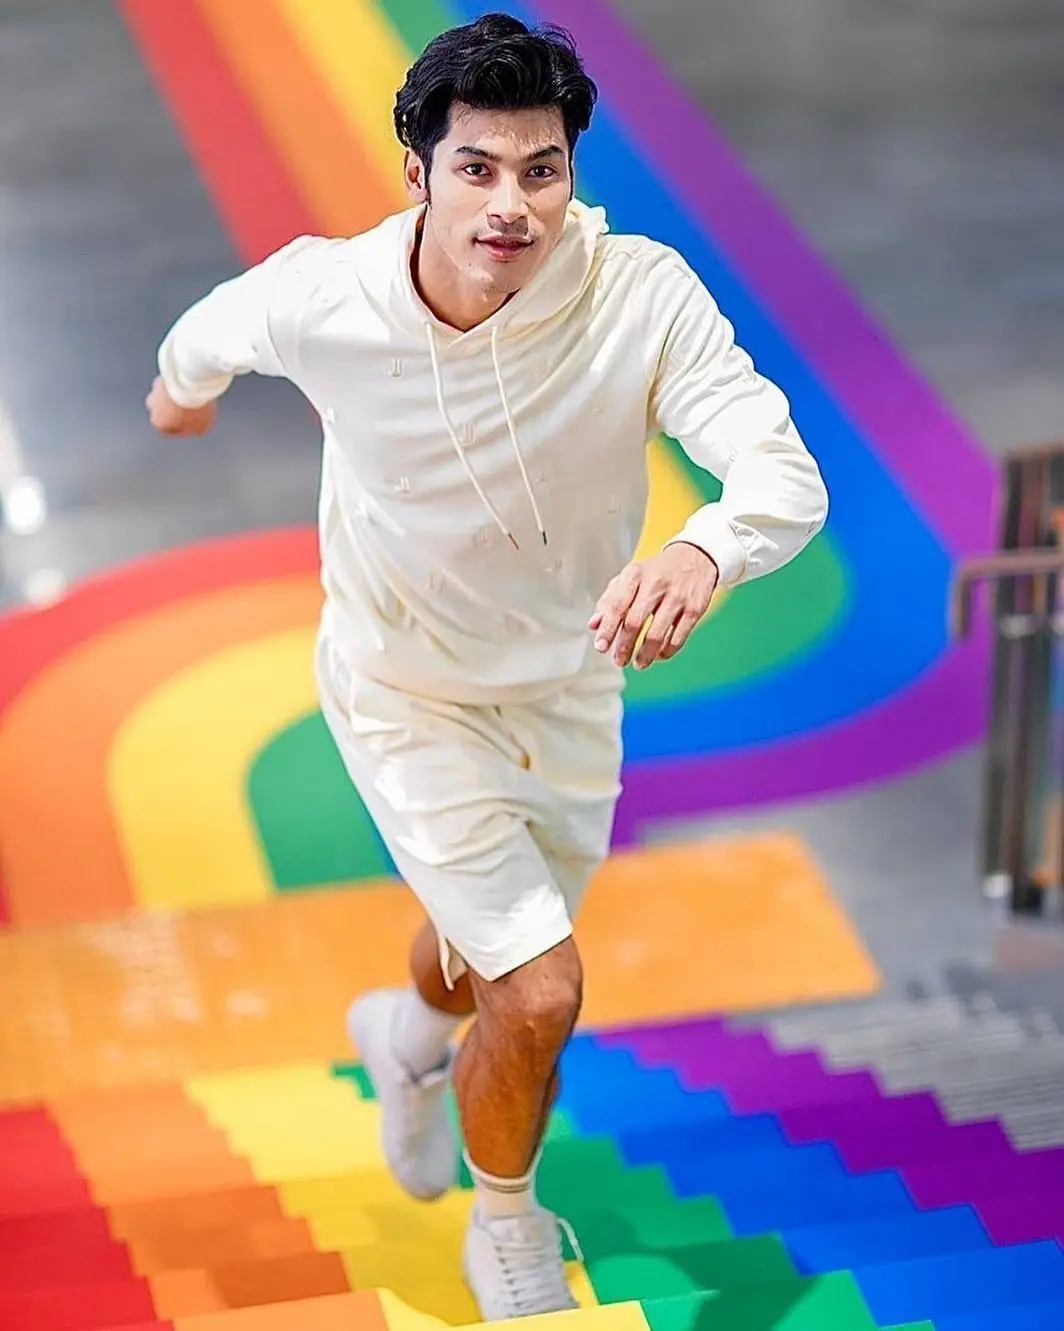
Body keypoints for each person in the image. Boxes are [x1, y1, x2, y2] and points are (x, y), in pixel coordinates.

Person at [146, 12, 828, 1321]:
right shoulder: (327, 296)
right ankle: (506, 1223)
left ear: (571, 174)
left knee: (488, 954)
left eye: (541, 170)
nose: (511, 205)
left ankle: (404, 1038)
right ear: (418, 172)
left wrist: (706, 549)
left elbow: (781, 472)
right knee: (541, 985)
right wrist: (181, 398)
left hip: (567, 689)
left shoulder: (638, 295)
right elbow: (204, 339)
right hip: (402, 688)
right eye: (477, 168)